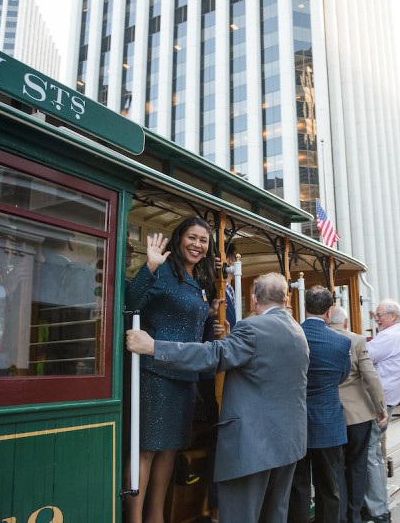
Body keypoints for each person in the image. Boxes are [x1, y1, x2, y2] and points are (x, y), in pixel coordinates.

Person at [126, 272, 309, 523]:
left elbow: (213, 356)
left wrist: (153, 347)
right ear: (286, 300)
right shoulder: (297, 330)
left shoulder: (253, 327)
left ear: (254, 298)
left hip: (252, 447)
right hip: (288, 444)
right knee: (274, 514)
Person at [123, 217, 219, 523]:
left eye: (203, 240)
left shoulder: (200, 283)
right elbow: (129, 305)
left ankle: (156, 517)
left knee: (170, 451)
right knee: (147, 450)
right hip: (155, 374)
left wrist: (211, 325)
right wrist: (148, 267)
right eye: (192, 237)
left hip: (185, 378)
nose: (197, 244)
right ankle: (135, 519)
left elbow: (195, 332)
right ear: (179, 239)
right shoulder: (162, 271)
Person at [288, 286, 351, 523]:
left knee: (298, 486)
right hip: (328, 423)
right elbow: (342, 377)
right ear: (329, 310)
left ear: (305, 308)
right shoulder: (341, 343)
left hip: (297, 423)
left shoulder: (292, 335)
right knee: (329, 487)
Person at [328, 305, 387, 523]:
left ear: (327, 319)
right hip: (359, 416)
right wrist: (380, 408)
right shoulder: (357, 340)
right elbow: (370, 377)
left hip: (331, 413)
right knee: (357, 466)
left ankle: (340, 516)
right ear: (345, 322)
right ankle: (354, 516)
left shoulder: (320, 339)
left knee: (336, 468)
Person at [363, 299, 400, 523]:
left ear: (393, 316)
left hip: (378, 403)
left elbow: (363, 355)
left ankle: (377, 510)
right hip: (388, 401)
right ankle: (377, 504)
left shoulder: (390, 336)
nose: (377, 318)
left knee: (370, 455)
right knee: (377, 453)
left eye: (380, 315)